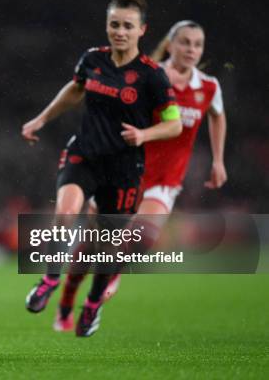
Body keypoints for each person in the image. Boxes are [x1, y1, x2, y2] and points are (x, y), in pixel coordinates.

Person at [21, 0, 182, 337]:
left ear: (142, 30)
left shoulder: (152, 75)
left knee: (108, 247)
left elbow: (174, 124)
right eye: (114, 24)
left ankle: (92, 306)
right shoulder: (92, 59)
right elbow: (75, 89)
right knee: (66, 211)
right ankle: (49, 280)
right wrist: (41, 119)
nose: (120, 32)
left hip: (124, 168)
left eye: (127, 26)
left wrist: (144, 135)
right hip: (85, 154)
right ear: (107, 25)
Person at [54, 20, 227, 332]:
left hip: (165, 180)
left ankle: (110, 278)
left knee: (143, 237)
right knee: (93, 243)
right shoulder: (149, 76)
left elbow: (217, 116)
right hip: (125, 170)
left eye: (197, 44)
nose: (191, 49)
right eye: (185, 42)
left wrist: (218, 159)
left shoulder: (209, 87)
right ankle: (66, 300)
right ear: (170, 44)